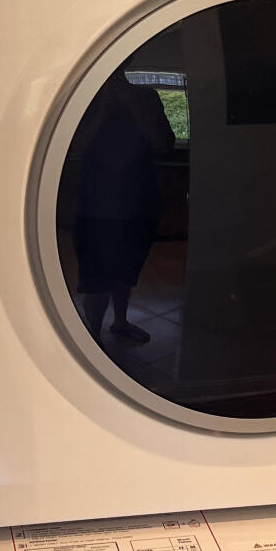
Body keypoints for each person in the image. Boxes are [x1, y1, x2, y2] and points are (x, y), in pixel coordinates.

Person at [71, 69, 175, 346]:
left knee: (128, 269)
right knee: (96, 277)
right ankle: (92, 340)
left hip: (139, 203)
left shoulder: (146, 98)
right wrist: (102, 109)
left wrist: (131, 103)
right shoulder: (84, 101)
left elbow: (164, 143)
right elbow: (74, 148)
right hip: (96, 206)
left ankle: (120, 321)